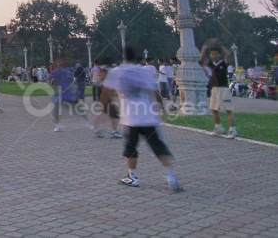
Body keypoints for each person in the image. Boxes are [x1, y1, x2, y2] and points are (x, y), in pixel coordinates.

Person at [101, 46, 183, 192]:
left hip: (130, 118)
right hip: (148, 116)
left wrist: (104, 108)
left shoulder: (116, 71)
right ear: (135, 57)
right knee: (158, 146)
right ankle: (171, 177)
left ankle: (133, 177)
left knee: (131, 148)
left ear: (123, 58)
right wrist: (160, 109)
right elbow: (154, 92)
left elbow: (106, 93)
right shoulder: (143, 71)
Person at [200, 40, 237, 139]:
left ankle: (233, 129)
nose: (215, 55)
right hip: (215, 89)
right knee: (214, 109)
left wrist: (221, 45)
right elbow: (202, 58)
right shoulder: (211, 64)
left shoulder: (223, 63)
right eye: (213, 54)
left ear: (219, 55)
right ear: (211, 55)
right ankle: (218, 127)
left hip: (224, 89)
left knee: (228, 109)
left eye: (216, 54)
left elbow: (228, 55)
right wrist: (204, 47)